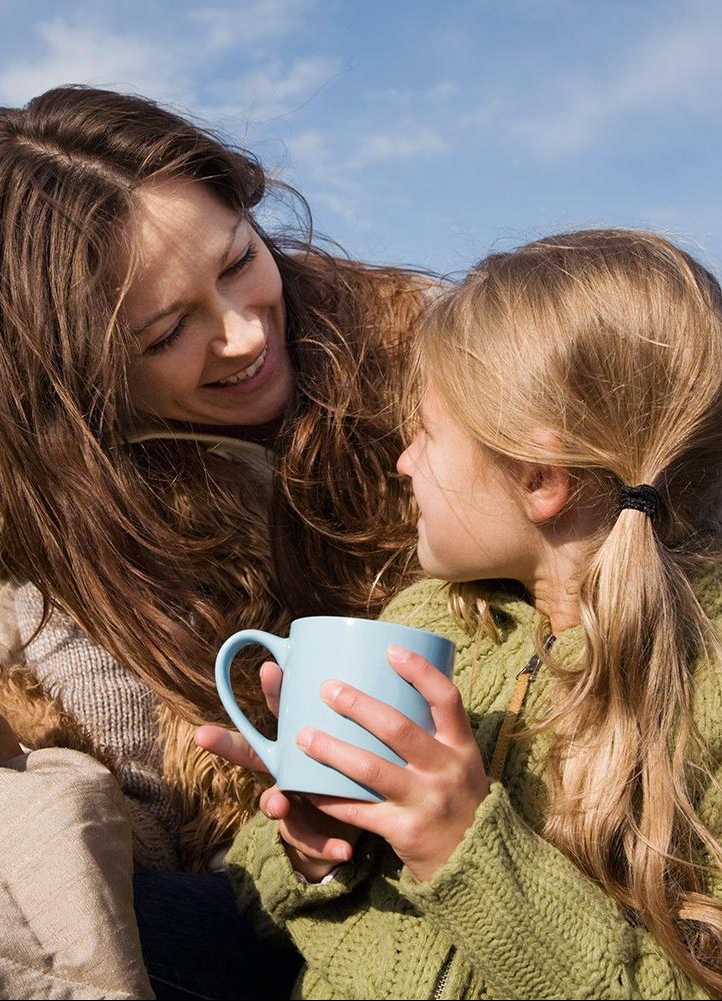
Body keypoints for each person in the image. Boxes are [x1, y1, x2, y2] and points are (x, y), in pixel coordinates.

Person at [0, 85, 427, 995]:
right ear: (75, 378)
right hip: (299, 915)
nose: (246, 331)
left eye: (239, 259)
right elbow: (130, 871)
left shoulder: (449, 372)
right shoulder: (85, 576)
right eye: (167, 332)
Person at [213, 229, 722, 998]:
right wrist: (312, 847)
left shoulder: (699, 697)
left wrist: (464, 851)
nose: (403, 461)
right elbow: (251, 903)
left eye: (425, 431)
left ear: (536, 476)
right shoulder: (434, 620)